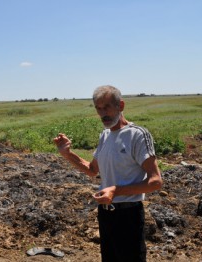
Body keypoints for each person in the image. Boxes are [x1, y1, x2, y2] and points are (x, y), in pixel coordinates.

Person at [53, 85, 162, 262]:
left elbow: (156, 182)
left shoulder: (137, 135)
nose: (103, 113)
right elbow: (92, 170)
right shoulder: (104, 136)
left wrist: (115, 191)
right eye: (98, 108)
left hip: (129, 215)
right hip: (106, 214)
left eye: (107, 107)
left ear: (121, 105)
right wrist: (67, 153)